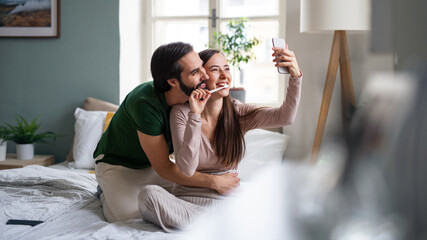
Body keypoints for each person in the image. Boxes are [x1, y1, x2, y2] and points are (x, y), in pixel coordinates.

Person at [138, 46, 302, 231]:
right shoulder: (181, 113)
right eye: (215, 70)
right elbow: (186, 168)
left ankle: (219, 223)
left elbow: (285, 117)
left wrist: (295, 77)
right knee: (148, 195)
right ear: (201, 78)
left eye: (227, 68)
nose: (225, 76)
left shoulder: (238, 112)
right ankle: (225, 223)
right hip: (186, 202)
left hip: (228, 201)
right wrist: (195, 115)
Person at [93, 42, 240, 222]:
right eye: (195, 72)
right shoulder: (144, 103)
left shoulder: (193, 96)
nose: (205, 75)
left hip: (153, 165)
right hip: (119, 165)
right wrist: (215, 181)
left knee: (193, 196)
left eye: (202, 67)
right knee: (128, 218)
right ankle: (104, 189)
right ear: (172, 81)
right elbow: (164, 167)